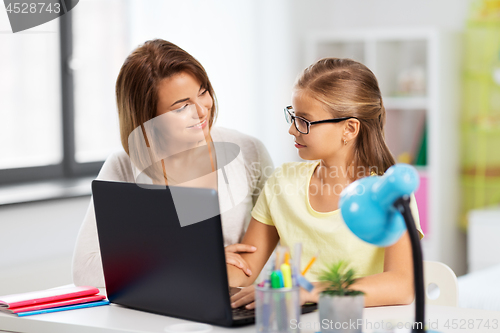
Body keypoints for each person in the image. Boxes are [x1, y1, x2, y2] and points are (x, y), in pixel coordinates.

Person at [72, 39, 273, 287]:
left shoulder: (248, 151)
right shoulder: (123, 166)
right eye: (181, 107)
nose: (201, 110)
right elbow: (85, 270)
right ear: (147, 117)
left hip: (234, 305)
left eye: (203, 92)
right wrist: (199, 260)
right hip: (158, 314)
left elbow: (272, 246)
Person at [228, 58, 424, 309]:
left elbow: (402, 286)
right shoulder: (283, 182)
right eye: (293, 116)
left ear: (350, 129)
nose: (292, 130)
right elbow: (246, 269)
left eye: (304, 121)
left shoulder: (387, 195)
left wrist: (311, 291)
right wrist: (214, 266)